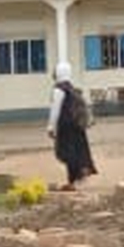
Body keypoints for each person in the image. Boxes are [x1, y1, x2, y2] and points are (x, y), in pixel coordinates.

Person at [47, 61, 97, 191]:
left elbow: (55, 110)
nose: (53, 73)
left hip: (66, 126)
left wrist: (51, 127)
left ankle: (73, 180)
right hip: (76, 125)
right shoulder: (72, 89)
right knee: (78, 151)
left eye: (55, 71)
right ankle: (79, 175)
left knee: (67, 153)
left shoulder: (59, 90)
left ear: (58, 73)